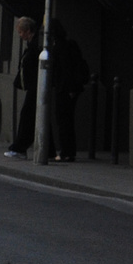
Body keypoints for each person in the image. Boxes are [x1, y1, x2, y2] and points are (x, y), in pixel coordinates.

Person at [49, 23, 88, 162]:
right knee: (67, 120)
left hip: (65, 89)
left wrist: (70, 88)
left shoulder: (60, 47)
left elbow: (66, 70)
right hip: (69, 88)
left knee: (63, 120)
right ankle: (68, 151)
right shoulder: (67, 45)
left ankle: (66, 152)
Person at [6, 16, 40, 158]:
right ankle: (48, 150)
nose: (20, 35)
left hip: (36, 86)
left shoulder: (37, 46)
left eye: (21, 32)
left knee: (27, 116)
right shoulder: (32, 45)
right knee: (38, 117)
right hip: (34, 86)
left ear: (28, 31)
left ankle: (20, 148)